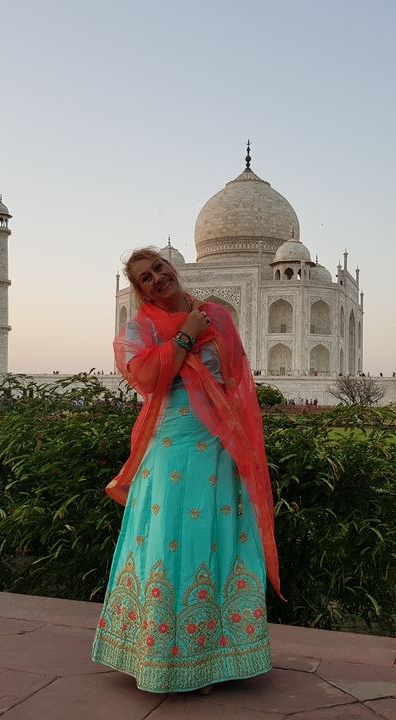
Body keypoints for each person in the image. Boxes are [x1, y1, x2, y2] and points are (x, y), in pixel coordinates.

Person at [92, 248, 281, 694]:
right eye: (145, 278)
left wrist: (238, 438)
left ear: (172, 269)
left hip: (218, 443)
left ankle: (212, 656)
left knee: (214, 538)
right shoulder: (139, 330)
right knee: (168, 538)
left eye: (159, 268)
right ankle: (163, 655)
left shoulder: (218, 315)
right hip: (171, 446)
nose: (157, 279)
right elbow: (146, 379)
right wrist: (183, 337)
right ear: (140, 293)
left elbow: (235, 379)